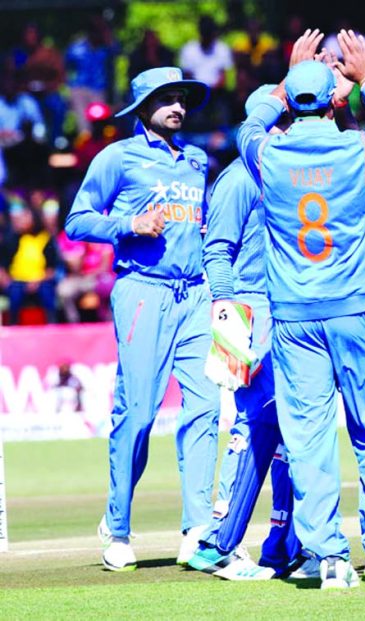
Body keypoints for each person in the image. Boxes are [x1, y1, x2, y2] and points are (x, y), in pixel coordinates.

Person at [236, 29, 365, 589]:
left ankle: (329, 555)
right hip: (356, 307)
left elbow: (249, 123)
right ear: (335, 102)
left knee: (308, 436)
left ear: (291, 99)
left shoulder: (266, 153)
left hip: (294, 315)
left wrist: (283, 80)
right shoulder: (358, 149)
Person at [64, 66, 218, 572]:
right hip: (143, 294)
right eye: (167, 99)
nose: (178, 107)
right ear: (143, 108)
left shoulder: (197, 160)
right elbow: (77, 220)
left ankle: (197, 529)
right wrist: (129, 224)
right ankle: (119, 524)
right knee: (140, 413)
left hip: (195, 294)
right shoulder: (118, 157)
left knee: (205, 408)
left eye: (181, 98)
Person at [188, 85, 298, 581]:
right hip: (251, 309)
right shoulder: (238, 179)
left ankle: (284, 542)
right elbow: (216, 253)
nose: (294, 129)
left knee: (286, 429)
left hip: (284, 308)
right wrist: (231, 330)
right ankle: (216, 542)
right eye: (287, 119)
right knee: (255, 426)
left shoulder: (283, 175)